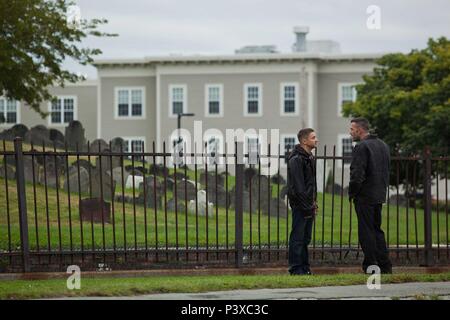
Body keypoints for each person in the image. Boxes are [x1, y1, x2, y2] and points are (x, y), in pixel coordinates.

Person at [348, 117, 392, 274]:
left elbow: (357, 174)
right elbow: (387, 171)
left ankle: (371, 266)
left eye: (352, 129)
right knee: (377, 230)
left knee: (366, 231)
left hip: (365, 196)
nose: (350, 132)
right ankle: (385, 266)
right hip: (379, 194)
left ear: (359, 130)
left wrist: (352, 192)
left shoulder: (362, 147)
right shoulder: (383, 145)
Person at [287, 128, 318, 275]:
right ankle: (296, 268)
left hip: (308, 205)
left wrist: (313, 202)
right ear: (304, 141)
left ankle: (305, 268)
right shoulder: (296, 160)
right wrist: (307, 206)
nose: (316, 140)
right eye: (313, 137)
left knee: (306, 238)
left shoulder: (309, 158)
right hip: (300, 205)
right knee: (298, 238)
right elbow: (299, 188)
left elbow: (310, 185)